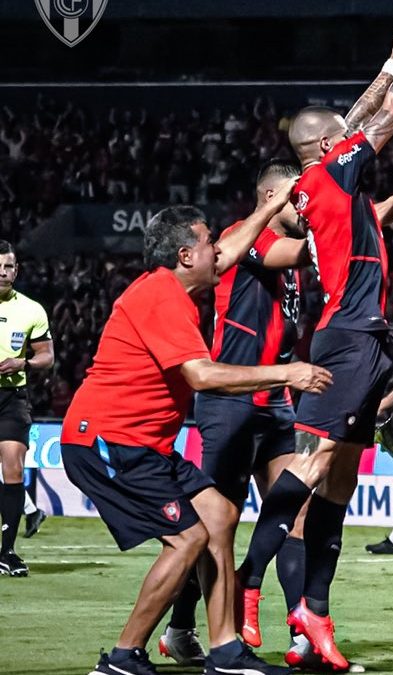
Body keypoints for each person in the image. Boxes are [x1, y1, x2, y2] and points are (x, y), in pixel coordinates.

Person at [234, 5, 393, 670]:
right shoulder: (333, 171)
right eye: (342, 133)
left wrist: (392, 58)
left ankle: (314, 611)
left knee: (338, 481)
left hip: (364, 336)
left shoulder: (325, 176)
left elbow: (357, 116)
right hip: (349, 339)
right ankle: (252, 581)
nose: (353, 131)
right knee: (311, 469)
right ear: (327, 146)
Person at [60, 200, 333, 675]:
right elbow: (203, 376)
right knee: (187, 538)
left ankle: (226, 651)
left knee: (221, 514)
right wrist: (287, 372)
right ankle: (123, 658)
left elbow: (229, 253)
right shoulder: (161, 296)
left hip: (144, 444)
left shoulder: (170, 289)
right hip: (108, 441)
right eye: (208, 243)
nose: (218, 253)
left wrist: (267, 208)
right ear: (186, 255)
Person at [153, 159, 316, 668]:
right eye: (299, 197)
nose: (306, 207)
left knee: (297, 512)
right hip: (231, 401)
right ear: (272, 196)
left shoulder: (281, 260)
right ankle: (180, 628)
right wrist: (360, 220)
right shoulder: (245, 239)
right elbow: (305, 249)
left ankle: (304, 635)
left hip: (275, 403)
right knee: (214, 526)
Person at [0, 239, 54, 577]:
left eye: (8, 266)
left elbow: (47, 356)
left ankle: (7, 551)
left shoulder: (32, 310)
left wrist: (23, 363)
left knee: (13, 468)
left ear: (16, 271)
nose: (2, 272)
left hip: (11, 398)